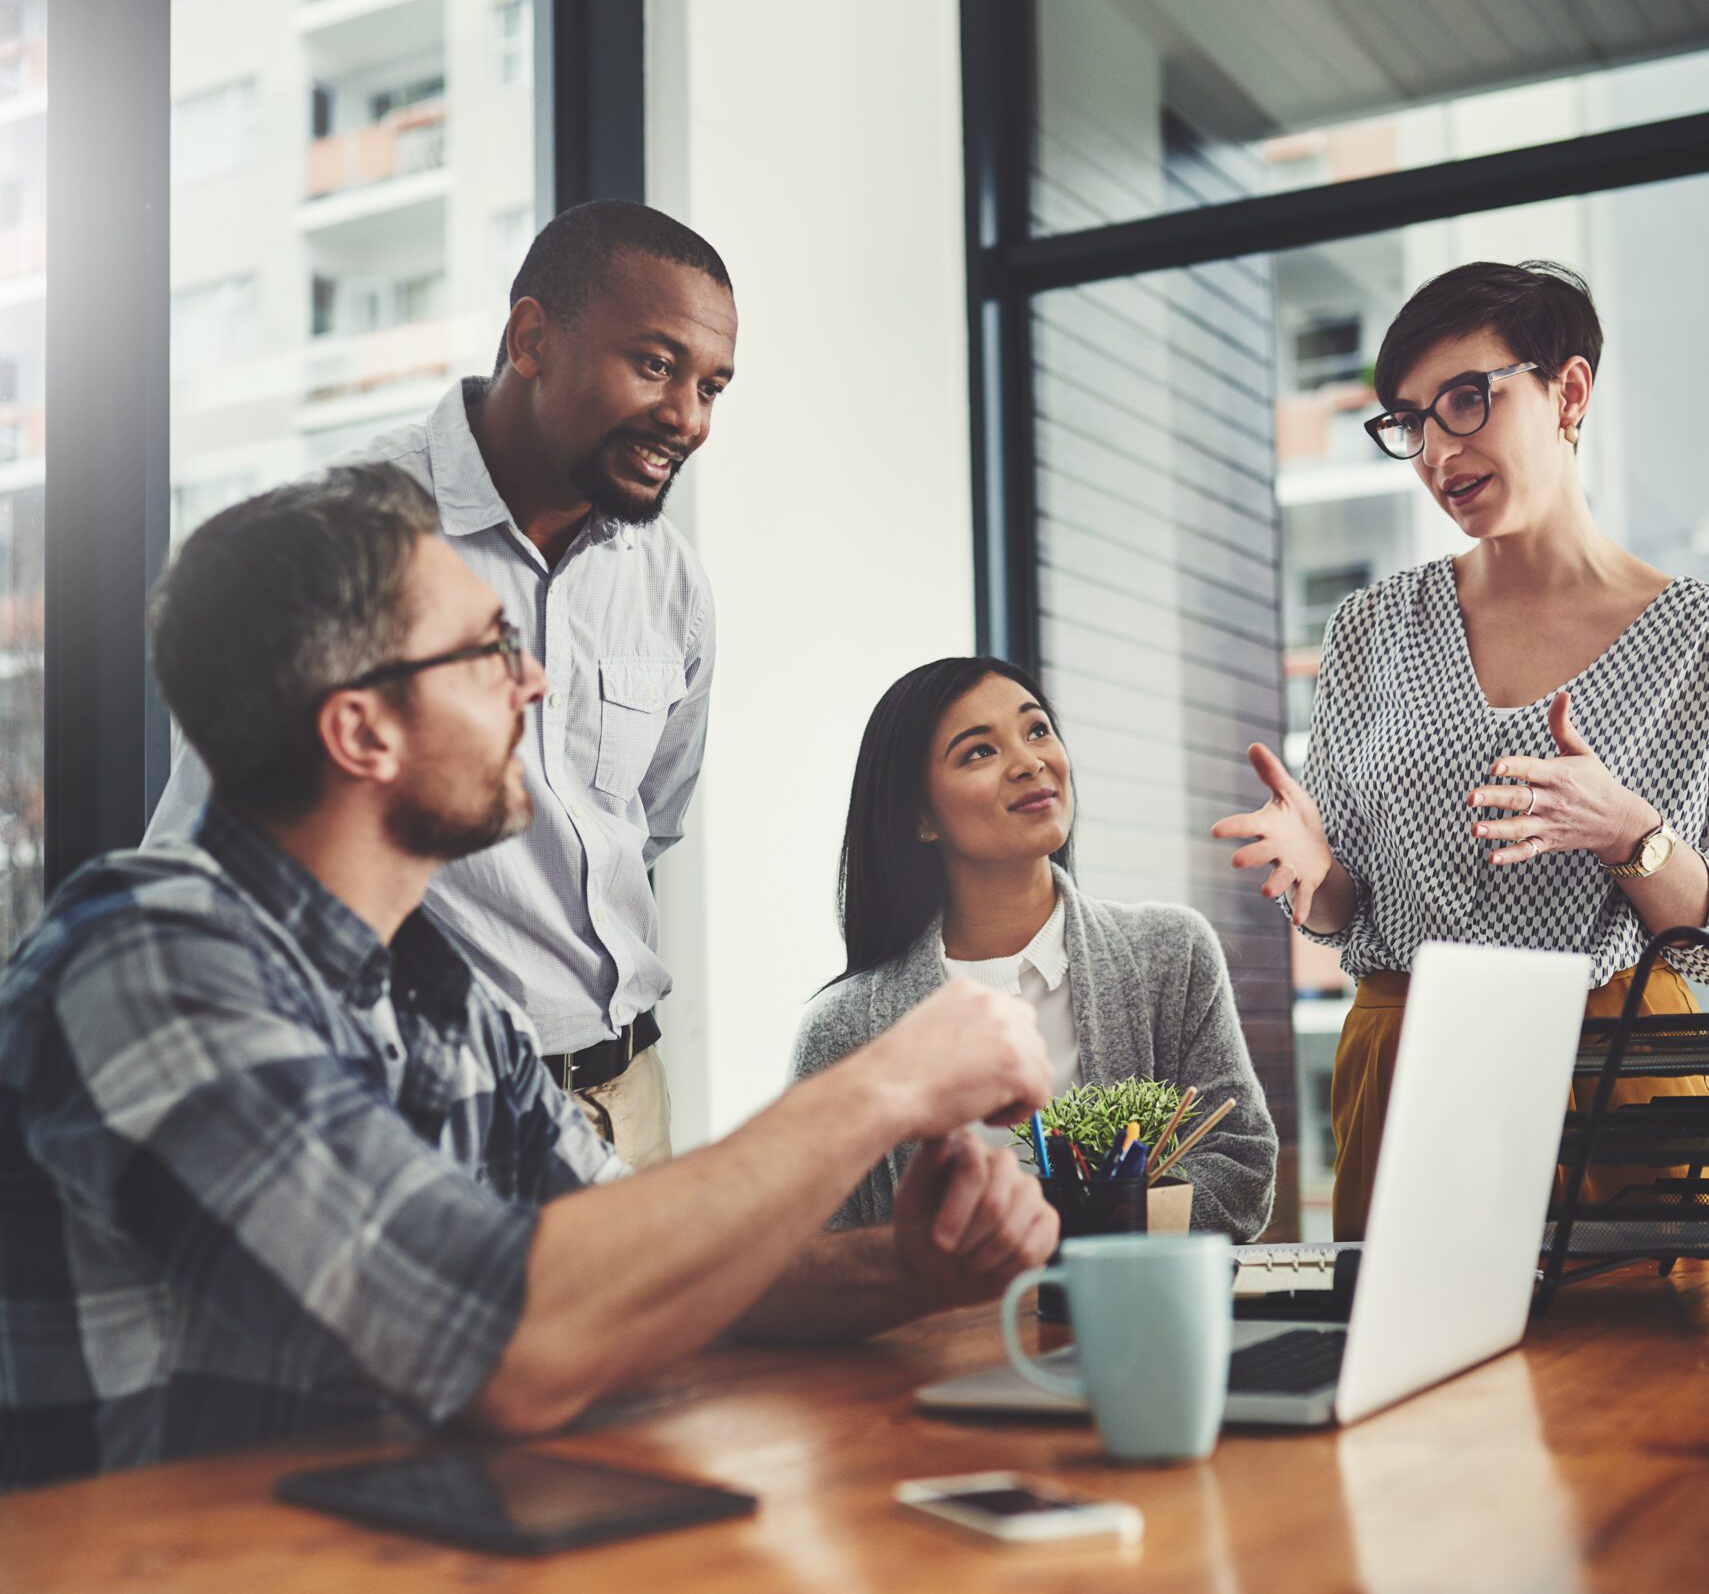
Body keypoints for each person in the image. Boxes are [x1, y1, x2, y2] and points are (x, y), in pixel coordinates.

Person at [0, 470, 1058, 1492]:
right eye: (492, 648)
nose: (536, 681)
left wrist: (909, 1270)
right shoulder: (149, 957)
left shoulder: (436, 987)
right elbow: (505, 1335)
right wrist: (881, 1086)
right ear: (361, 729)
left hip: (373, 1586)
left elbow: (637, 1259)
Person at [1212, 257, 1702, 1594]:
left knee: (1615, 1536)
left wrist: (1637, 835)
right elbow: (1363, 900)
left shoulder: (1699, 637)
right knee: (1427, 1521)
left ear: (1567, 390)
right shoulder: (1374, 632)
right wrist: (1314, 886)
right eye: (1401, 419)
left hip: (1622, 1094)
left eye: (1466, 401)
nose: (1432, 447)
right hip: (1409, 1068)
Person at [147, 200, 736, 1171]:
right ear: (532, 337)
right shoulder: (355, 536)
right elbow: (219, 845)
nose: (688, 417)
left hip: (631, 1092)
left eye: (711, 384)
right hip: (412, 1101)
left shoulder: (669, 581)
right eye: (655, 364)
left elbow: (648, 821)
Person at [792, 655, 1276, 1237]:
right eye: (980, 751)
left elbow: (1241, 1169)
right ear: (921, 817)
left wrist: (1071, 1235)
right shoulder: (842, 1030)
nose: (1029, 762)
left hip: (1130, 1324)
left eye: (1037, 730)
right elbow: (816, 1249)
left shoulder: (1171, 953)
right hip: (939, 1331)